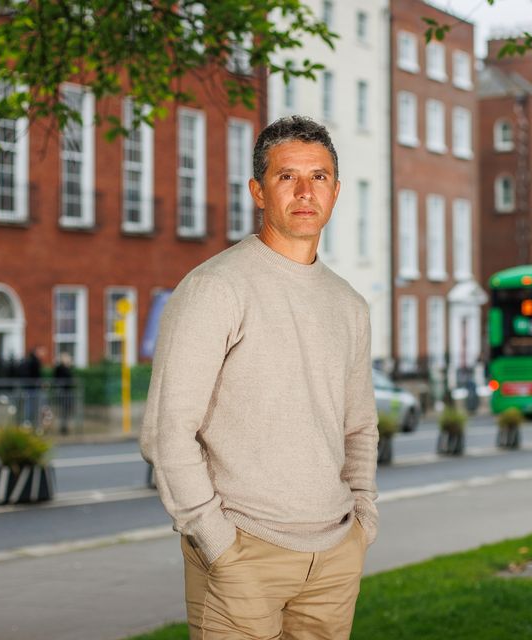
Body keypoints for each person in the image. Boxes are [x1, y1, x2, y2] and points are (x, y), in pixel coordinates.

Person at [140, 115, 378, 639]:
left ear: (336, 191)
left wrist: (362, 521)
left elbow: (359, 426)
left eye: (318, 177)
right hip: (244, 553)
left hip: (334, 557)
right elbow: (166, 430)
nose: (304, 191)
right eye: (286, 176)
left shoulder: (350, 305)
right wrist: (216, 541)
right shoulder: (215, 289)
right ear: (257, 190)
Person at [53, 352, 74, 435]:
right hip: (64, 392)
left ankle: (64, 426)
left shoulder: (66, 368)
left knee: (66, 411)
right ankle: (63, 427)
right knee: (64, 411)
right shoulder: (61, 368)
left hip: (67, 392)